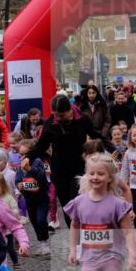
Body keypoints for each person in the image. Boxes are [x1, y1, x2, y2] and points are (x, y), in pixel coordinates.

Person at [25, 94, 108, 229]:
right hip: (59, 170)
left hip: (79, 167)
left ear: (70, 110)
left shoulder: (82, 120)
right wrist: (28, 157)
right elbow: (41, 146)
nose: (58, 118)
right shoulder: (50, 123)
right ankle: (74, 236)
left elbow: (96, 135)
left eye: (61, 115)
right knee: (67, 207)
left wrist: (112, 149)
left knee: (76, 200)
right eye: (56, 115)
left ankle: (86, 230)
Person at [16, 138, 52, 256]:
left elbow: (41, 177)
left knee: (41, 220)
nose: (23, 157)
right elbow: (18, 179)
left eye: (25, 154)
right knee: (34, 222)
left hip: (42, 198)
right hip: (29, 200)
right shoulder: (20, 166)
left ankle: (45, 242)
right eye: (21, 154)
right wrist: (19, 186)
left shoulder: (37, 161)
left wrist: (30, 169)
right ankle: (41, 242)